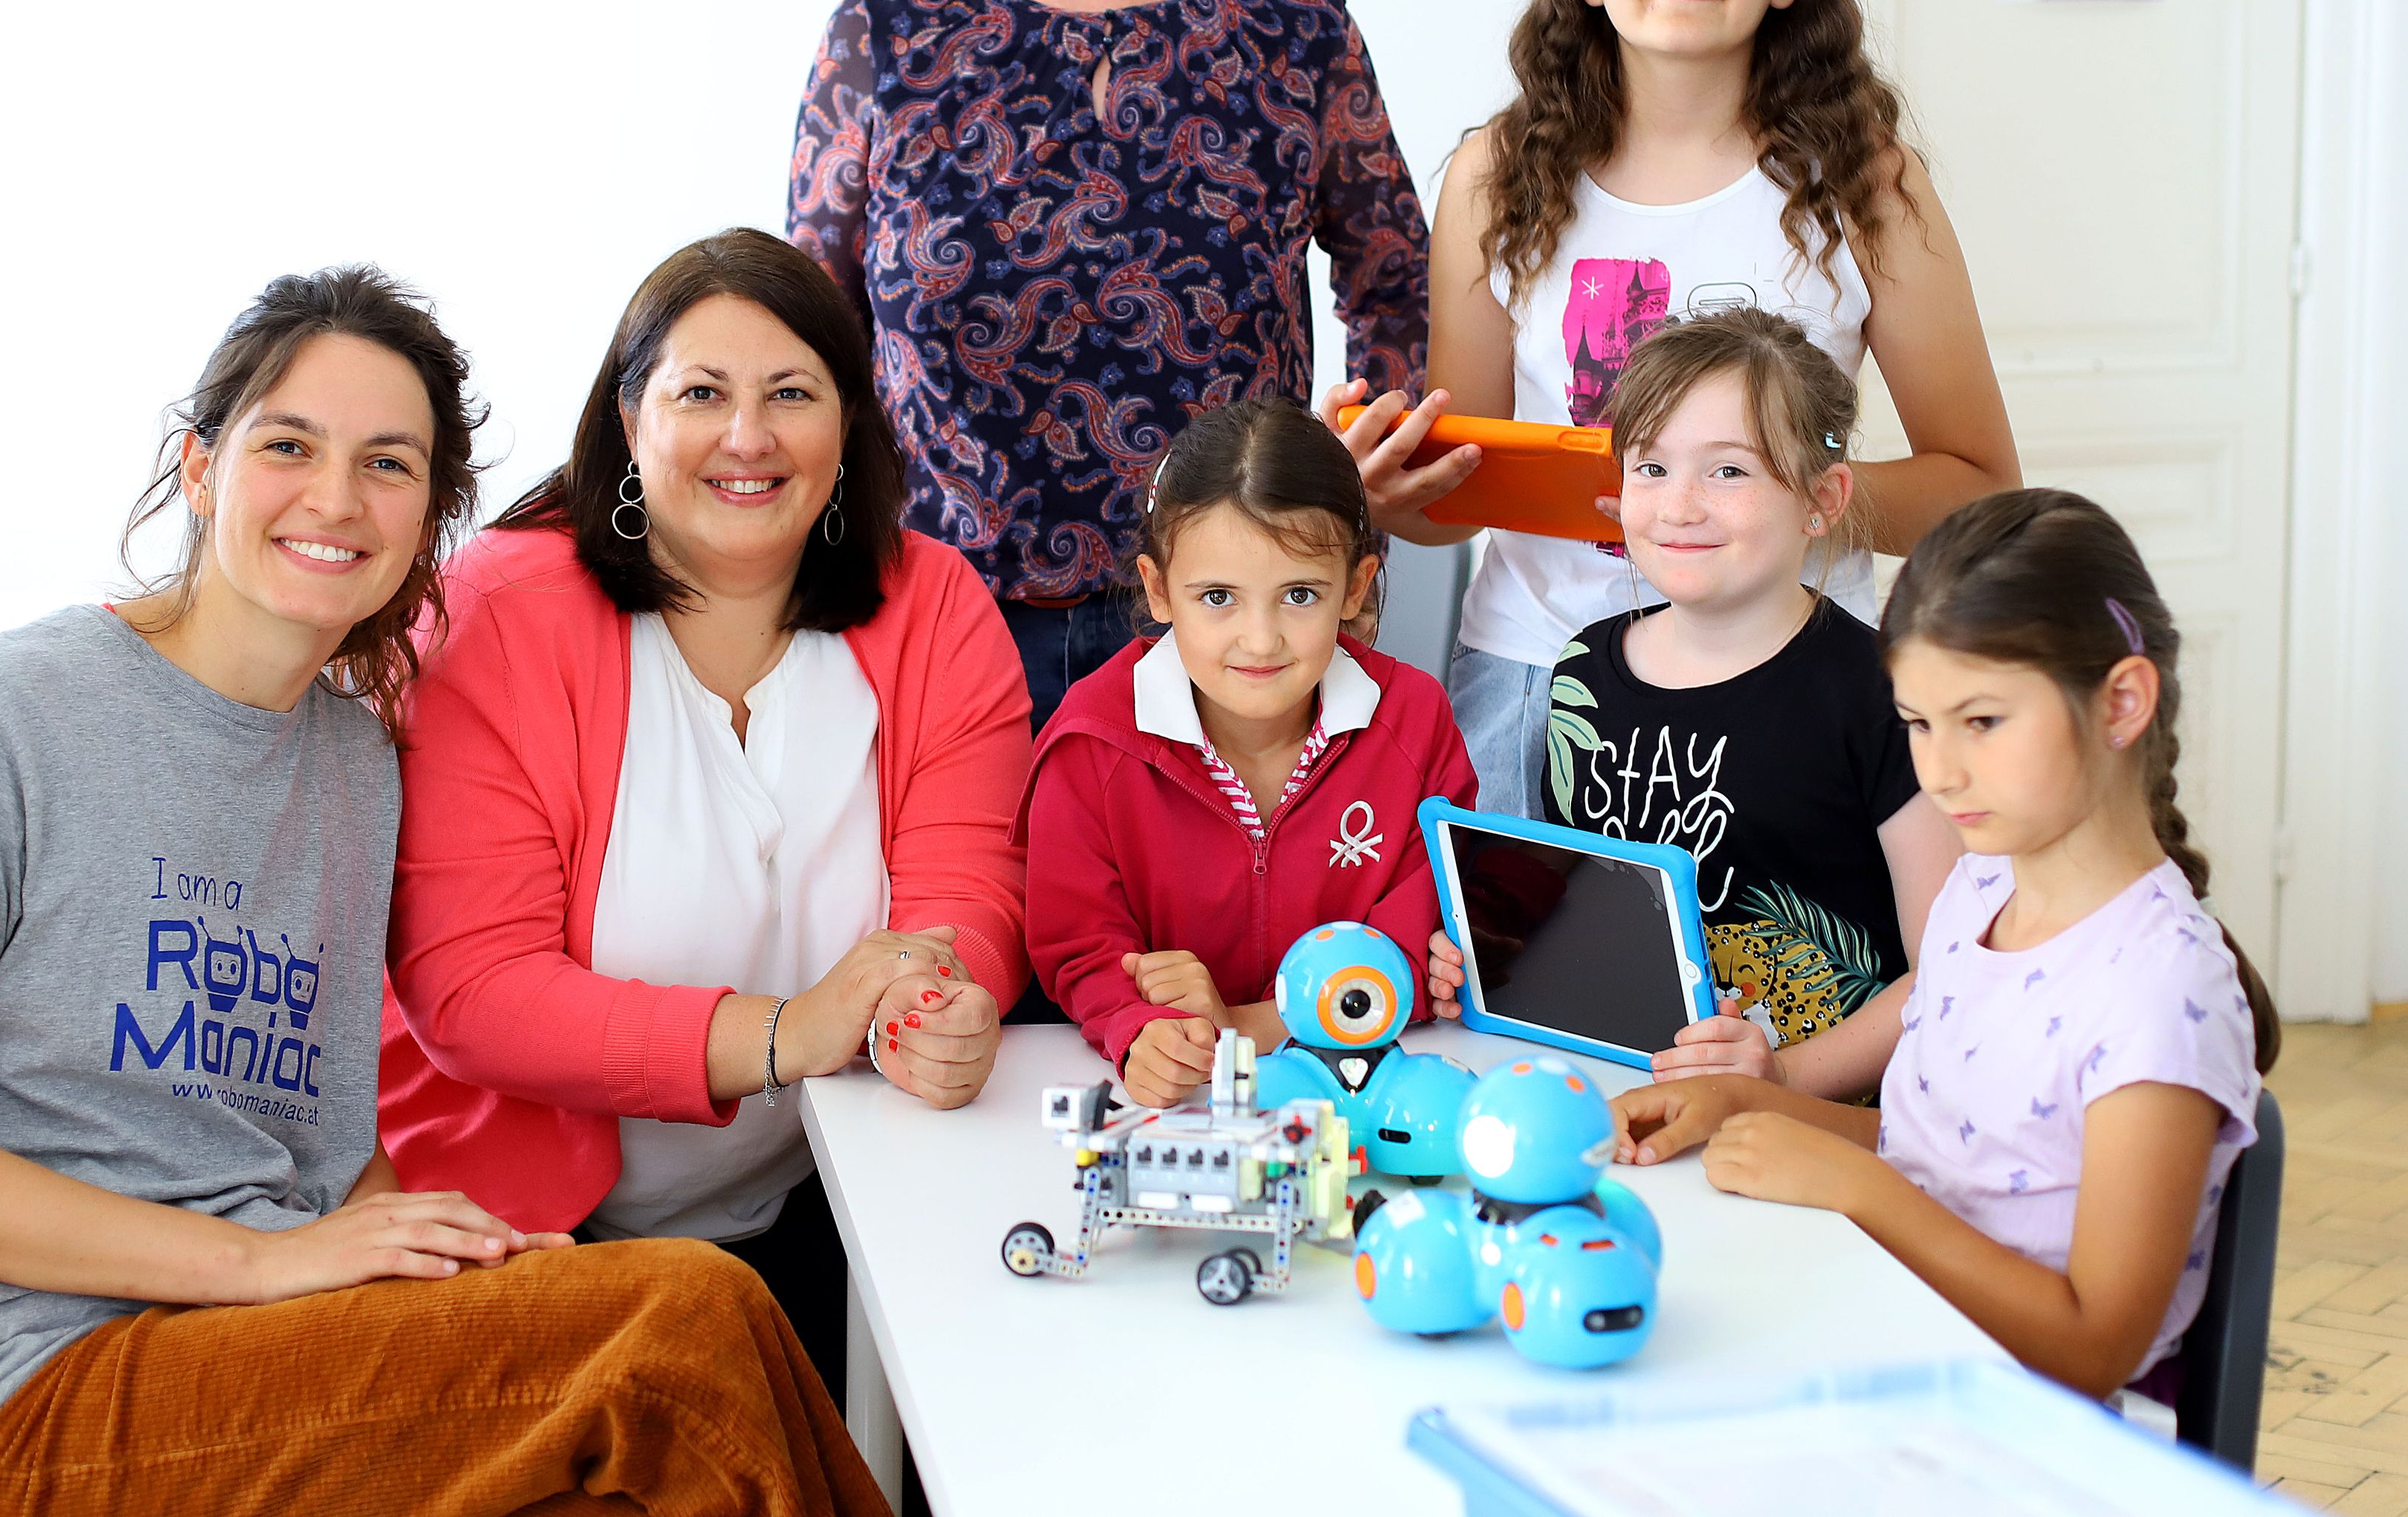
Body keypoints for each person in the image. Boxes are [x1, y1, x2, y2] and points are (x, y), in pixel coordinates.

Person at [0, 268, 885, 1517]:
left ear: (431, 516)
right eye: (289, 445)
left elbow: (313, 1138)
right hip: (14, 1398)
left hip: (268, 1352)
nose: (335, 497)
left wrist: (478, 1265)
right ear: (201, 468)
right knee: (686, 1314)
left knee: (625, 1452)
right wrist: (261, 1262)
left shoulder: (353, 762)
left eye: (388, 464)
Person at [378, 227, 1030, 1401]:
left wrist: (942, 1003)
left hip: (834, 1201)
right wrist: (792, 1027)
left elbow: (968, 885)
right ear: (631, 422)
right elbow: (470, 991)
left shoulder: (934, 602)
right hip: (523, 1236)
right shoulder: (500, 608)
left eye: (792, 392)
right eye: (702, 393)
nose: (750, 435)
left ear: (850, 423)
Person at [786, 0, 1431, 731]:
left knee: (1218, 919)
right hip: (941, 629)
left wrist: (1351, 491)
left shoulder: (1289, 19)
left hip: (1230, 630)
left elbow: (1395, 280)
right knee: (963, 912)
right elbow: (803, 330)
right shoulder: (887, 30)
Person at [1330, 0, 2019, 818]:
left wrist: (1784, 497)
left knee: (1790, 982)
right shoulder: (1495, 175)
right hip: (1538, 682)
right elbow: (1455, 495)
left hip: (1792, 680)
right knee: (1516, 981)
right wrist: (1386, 498)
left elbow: (1978, 487)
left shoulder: (1868, 185)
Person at [1609, 489, 2276, 1406]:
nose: (1940, 772)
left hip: (2029, 1428)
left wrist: (1858, 1189)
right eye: (1918, 725)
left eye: (1983, 722)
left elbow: (2093, 1347)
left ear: (2121, 702)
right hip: (1896, 1336)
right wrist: (1739, 1101)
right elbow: (1947, 1158)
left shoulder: (2155, 994)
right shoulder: (1979, 892)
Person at [1423, 310, 1956, 1099]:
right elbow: (1583, 927)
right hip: (1626, 1100)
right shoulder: (1581, 674)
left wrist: (1780, 1076)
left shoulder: (1888, 694)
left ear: (1823, 497)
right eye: (1651, 468)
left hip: (1815, 1126)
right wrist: (1485, 959)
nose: (1679, 506)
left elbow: (1950, 976)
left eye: (1729, 471)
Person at [1022, 398, 1478, 1107]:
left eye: (1299, 594)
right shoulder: (1092, 741)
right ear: (1159, 589)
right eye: (1218, 597)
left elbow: (1426, 932)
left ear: (1355, 588)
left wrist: (1247, 1026)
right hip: (1178, 1109)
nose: (1261, 640)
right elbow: (1078, 946)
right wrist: (1141, 1028)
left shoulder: (1414, 721)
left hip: (1368, 1093)